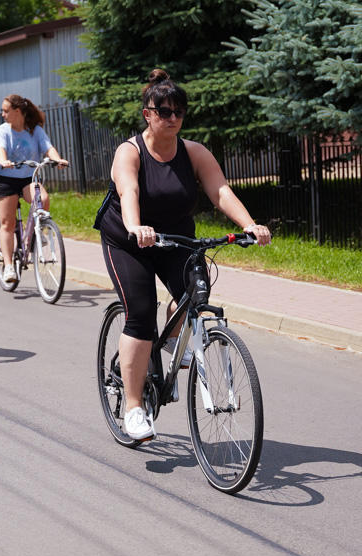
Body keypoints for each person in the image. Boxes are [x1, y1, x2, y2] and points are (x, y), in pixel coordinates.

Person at [98, 69, 272, 441]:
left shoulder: (194, 152)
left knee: (195, 294)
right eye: (163, 111)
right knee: (140, 315)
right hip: (131, 241)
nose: (171, 117)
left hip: (176, 238)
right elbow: (128, 193)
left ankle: (176, 341)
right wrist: (136, 227)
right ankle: (133, 408)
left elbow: (220, 191)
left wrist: (249, 225)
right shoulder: (129, 152)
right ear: (147, 113)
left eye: (178, 111)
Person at [0, 94, 68, 283]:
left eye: (6, 111)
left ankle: (38, 229)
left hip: (28, 177)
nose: (2, 114)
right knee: (7, 223)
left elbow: (48, 148)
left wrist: (57, 159)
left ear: (18, 112)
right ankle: (9, 266)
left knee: (42, 197)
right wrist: (3, 161)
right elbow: (0, 149)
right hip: (5, 178)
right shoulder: (3, 130)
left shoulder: (35, 131)